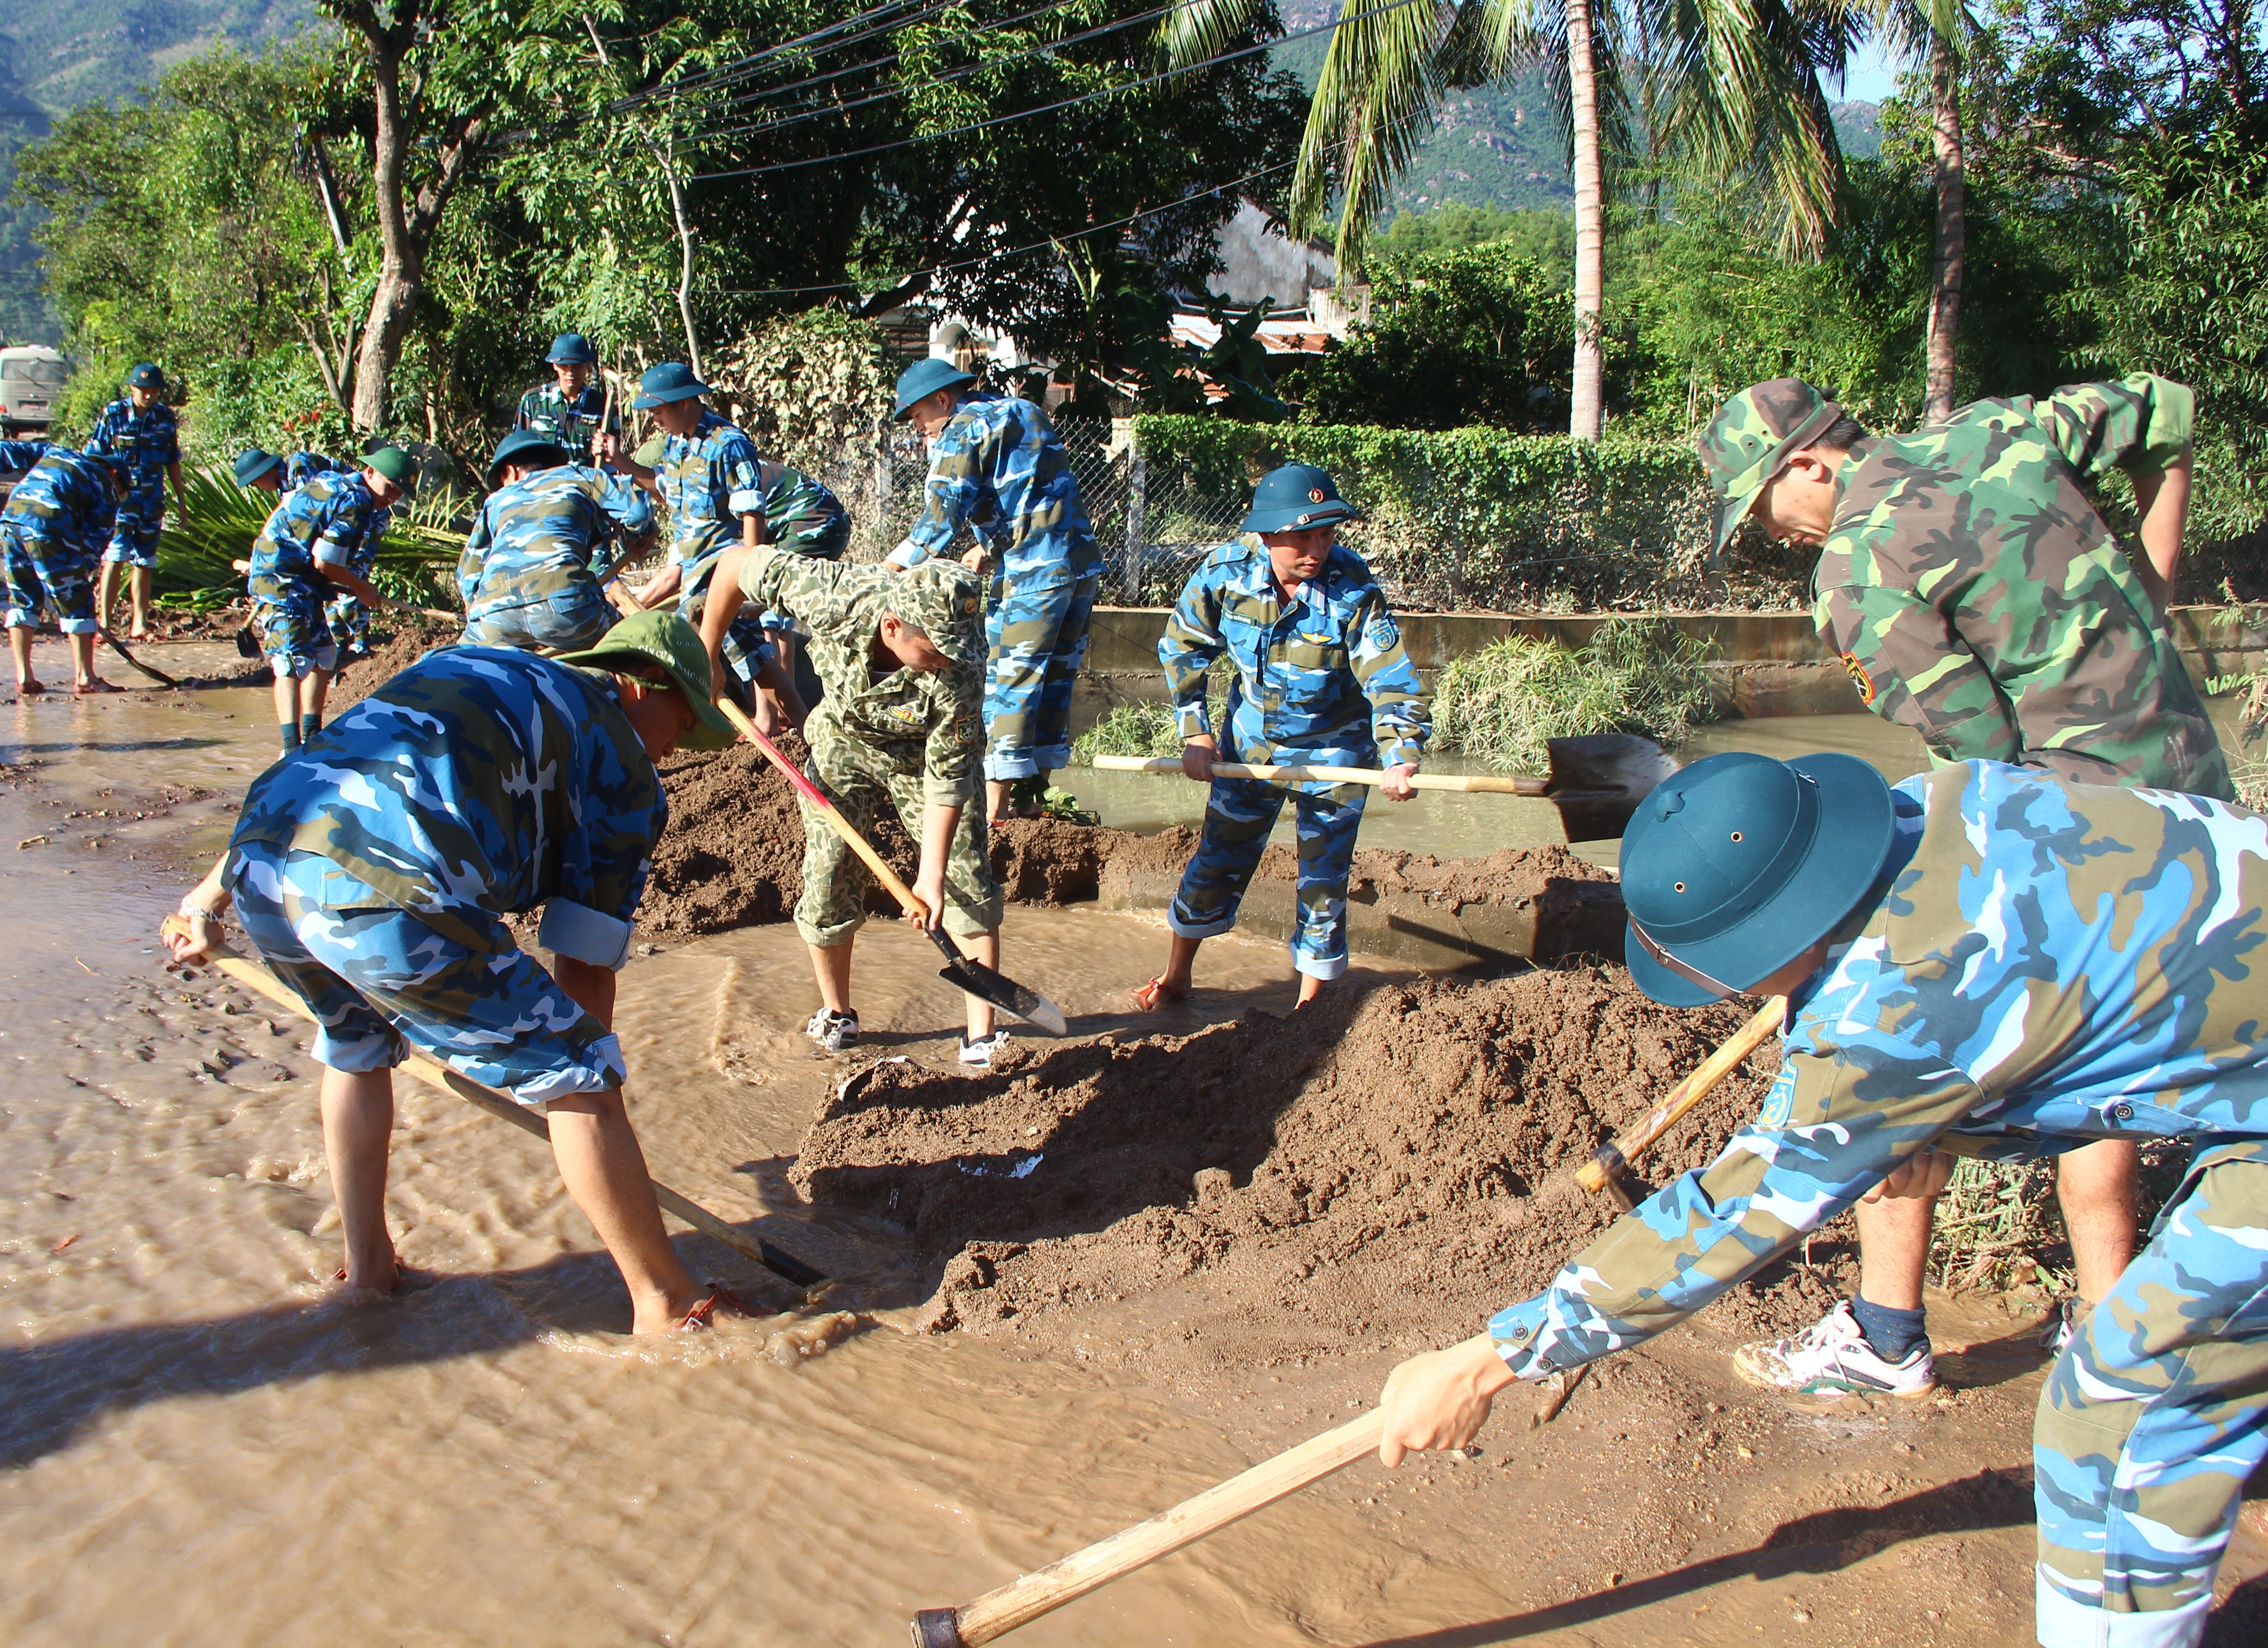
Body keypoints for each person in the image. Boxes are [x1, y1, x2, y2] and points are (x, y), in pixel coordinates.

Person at [1371, 749, 2268, 1648]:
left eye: (1727, 971)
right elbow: (2076, 988)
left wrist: (1487, 1361)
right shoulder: (1946, 802)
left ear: (1783, 936)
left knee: (2116, 1418)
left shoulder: (1898, 1016)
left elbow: (1732, 1213)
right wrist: (1941, 1127)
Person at [1697, 373, 2232, 1394]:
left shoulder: (1862, 569)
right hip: (2192, 799)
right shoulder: (1995, 427)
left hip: (2076, 830)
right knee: (2098, 1043)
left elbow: (1977, 761)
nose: (1778, 536)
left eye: (1765, 511)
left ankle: (1884, 1332)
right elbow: (2169, 410)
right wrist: (2153, 595)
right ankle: (2108, 1325)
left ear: (1806, 463)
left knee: (1892, 1024)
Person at [164, 611, 744, 1334]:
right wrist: (582, 1089)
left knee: (356, 1048)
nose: (670, 749)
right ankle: (666, 1299)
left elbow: (334, 771)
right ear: (637, 683)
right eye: (680, 723)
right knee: (583, 1067)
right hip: (383, 890)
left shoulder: (472, 662)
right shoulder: (623, 768)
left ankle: (369, 1272)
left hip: (260, 859)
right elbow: (585, 965)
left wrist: (202, 900)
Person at [694, 539, 1010, 1067]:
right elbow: (731, 564)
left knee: (963, 877)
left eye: (954, 653)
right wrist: (707, 654)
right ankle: (837, 1013)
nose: (943, 664)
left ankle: (981, 1038)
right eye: (932, 652)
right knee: (827, 874)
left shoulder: (960, 667)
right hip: (842, 742)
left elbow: (949, 777)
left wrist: (929, 876)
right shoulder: (836, 594)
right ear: (893, 627)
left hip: (920, 757)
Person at [1131, 464, 1427, 1012]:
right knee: (1216, 861)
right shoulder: (1226, 573)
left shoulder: (1352, 588)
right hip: (1249, 748)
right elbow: (1182, 648)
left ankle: (1309, 1014)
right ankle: (1176, 978)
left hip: (1335, 753)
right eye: (1302, 537)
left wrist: (1400, 754)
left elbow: (1388, 677)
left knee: (1323, 883)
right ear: (1267, 535)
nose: (1316, 549)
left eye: (1326, 534)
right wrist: (1195, 733)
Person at [885, 359, 1103, 824]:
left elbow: (940, 519)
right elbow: (1029, 490)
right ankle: (1034, 801)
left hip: (1034, 573)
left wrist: (888, 571)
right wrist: (988, 547)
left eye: (918, 414)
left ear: (943, 400)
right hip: (1080, 564)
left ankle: (993, 811)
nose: (917, 426)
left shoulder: (963, 427)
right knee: (1055, 681)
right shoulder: (1023, 410)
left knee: (1009, 680)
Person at [606, 362, 771, 685]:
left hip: (720, 571)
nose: (654, 419)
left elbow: (752, 511)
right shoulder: (675, 443)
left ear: (684, 403)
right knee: (754, 661)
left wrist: (750, 576)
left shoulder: (728, 443)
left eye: (658, 410)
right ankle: (778, 722)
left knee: (689, 650)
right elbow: (665, 491)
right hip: (690, 568)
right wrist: (620, 462)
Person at [246, 448, 411, 754]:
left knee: (324, 654)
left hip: (303, 577)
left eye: (399, 492)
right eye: (390, 488)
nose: (392, 497)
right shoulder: (355, 500)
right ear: (371, 473)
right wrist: (361, 588)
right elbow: (326, 563)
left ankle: (313, 737)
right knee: (290, 661)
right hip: (281, 577)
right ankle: (291, 749)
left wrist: (350, 585)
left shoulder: (342, 483)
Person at [457, 429, 654, 652]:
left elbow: (467, 577)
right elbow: (638, 513)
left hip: (494, 617)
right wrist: (639, 537)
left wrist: (480, 616)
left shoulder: (494, 502)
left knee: (465, 663)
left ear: (510, 471)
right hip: (567, 607)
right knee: (632, 648)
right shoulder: (579, 476)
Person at [234, 445, 399, 664]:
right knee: (331, 582)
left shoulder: (299, 467)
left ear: (264, 473)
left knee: (353, 580)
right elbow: (289, 515)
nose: (259, 488)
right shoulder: (285, 483)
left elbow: (312, 522)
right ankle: (340, 640)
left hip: (364, 519)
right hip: (343, 523)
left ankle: (360, 643)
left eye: (256, 483)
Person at [2, 444, 130, 695]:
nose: (119, 496)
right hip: (49, 522)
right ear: (113, 473)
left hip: (11, 518)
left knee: (23, 598)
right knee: (78, 600)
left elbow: (8, 450)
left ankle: (24, 678)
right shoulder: (105, 487)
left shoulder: (54, 451)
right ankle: (86, 678)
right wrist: (79, 583)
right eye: (122, 491)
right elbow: (93, 547)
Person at [86, 363, 186, 641]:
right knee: (115, 556)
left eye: (153, 390)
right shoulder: (114, 414)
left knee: (145, 561)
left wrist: (181, 501)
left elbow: (172, 460)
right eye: (143, 390)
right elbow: (95, 457)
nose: (148, 395)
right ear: (132, 388)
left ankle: (139, 622)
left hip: (152, 501)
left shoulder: (165, 418)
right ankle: (105, 623)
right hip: (120, 501)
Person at [515, 333, 618, 462]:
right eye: (565, 366)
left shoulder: (603, 406)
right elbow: (517, 451)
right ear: (555, 365)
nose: (571, 372)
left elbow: (614, 460)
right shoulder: (533, 402)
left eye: (577, 365)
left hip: (585, 480)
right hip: (544, 480)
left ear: (587, 365)